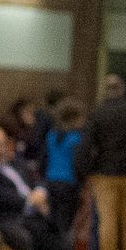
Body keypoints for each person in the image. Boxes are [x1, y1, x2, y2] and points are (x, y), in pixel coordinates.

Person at [76, 81, 126, 250]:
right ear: (122, 90)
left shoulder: (98, 112)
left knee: (107, 221)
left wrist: (84, 170)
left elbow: (86, 145)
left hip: (105, 172)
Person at [42, 98, 85, 236]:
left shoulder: (51, 135)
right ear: (74, 118)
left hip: (50, 181)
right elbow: (79, 163)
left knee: (52, 219)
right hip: (69, 183)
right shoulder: (76, 138)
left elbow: (44, 159)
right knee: (66, 221)